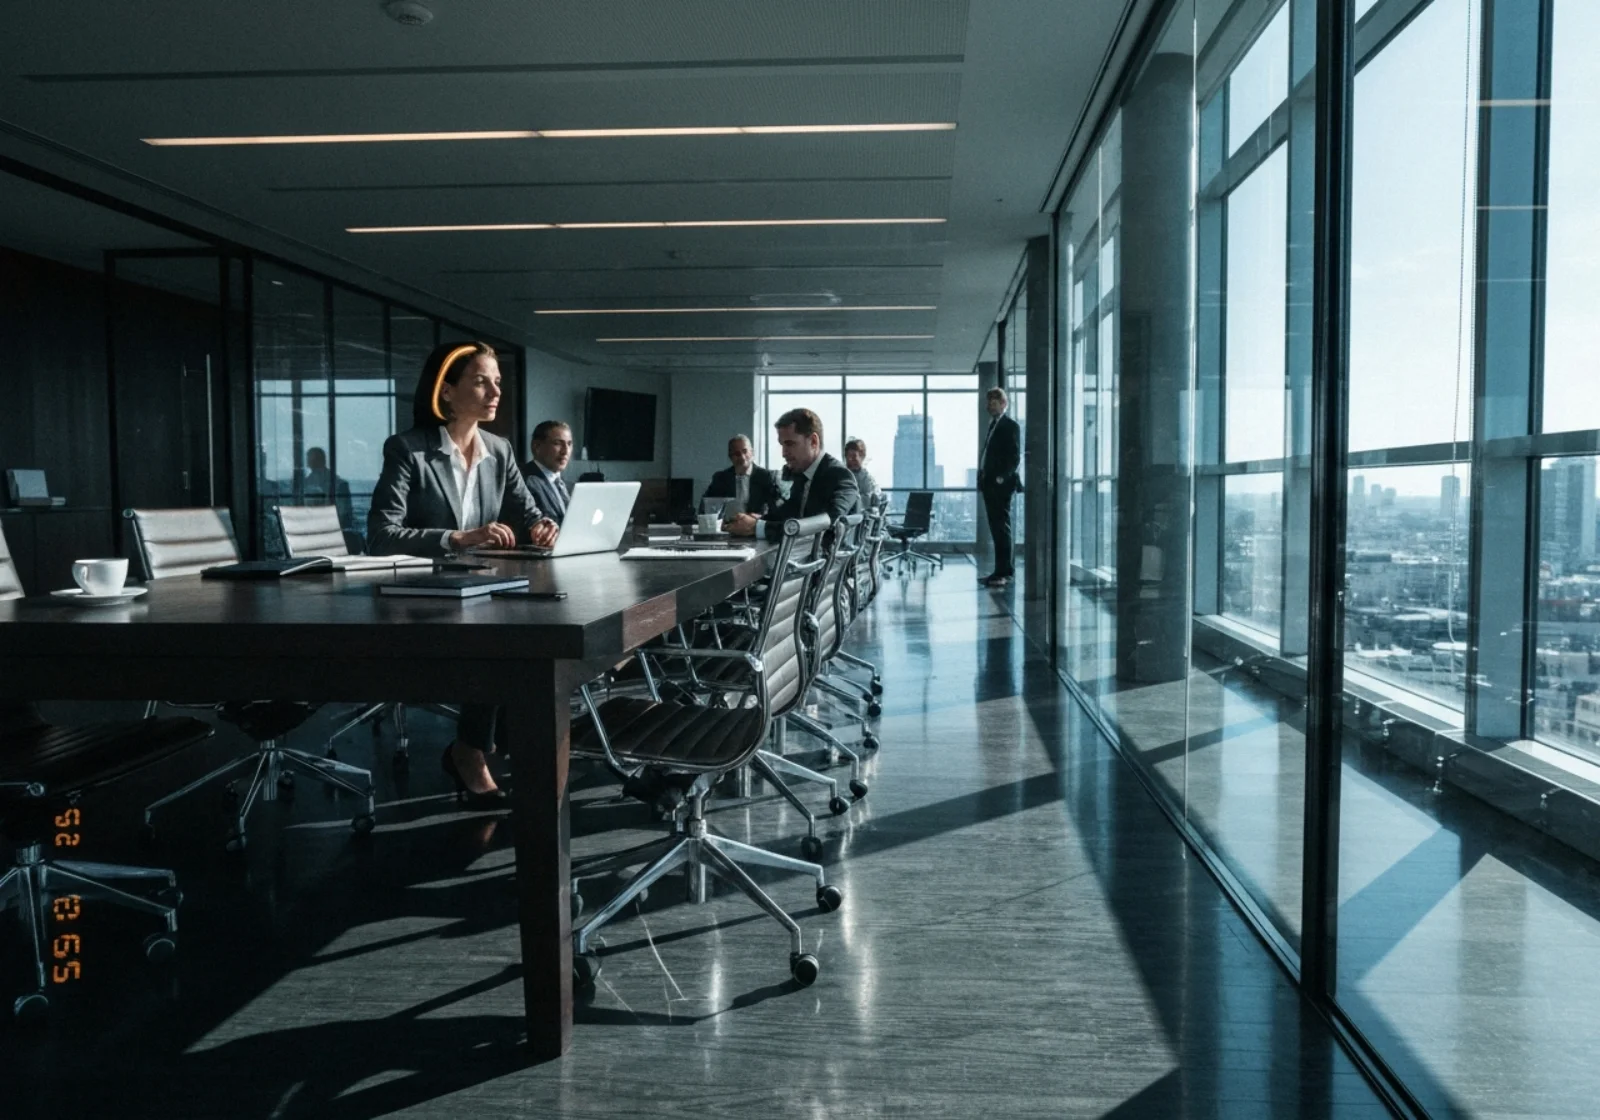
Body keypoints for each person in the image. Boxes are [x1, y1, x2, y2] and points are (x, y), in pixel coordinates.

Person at [367, 341, 559, 805]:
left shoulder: (499, 449)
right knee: (503, 644)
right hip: (423, 594)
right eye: (481, 381)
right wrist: (458, 538)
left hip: (481, 588)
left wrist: (541, 526)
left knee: (531, 634)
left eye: (497, 381)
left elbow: (527, 512)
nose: (495, 391)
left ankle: (500, 750)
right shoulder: (408, 450)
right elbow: (380, 535)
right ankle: (472, 753)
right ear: (447, 391)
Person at [726, 409, 858, 538]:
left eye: (789, 444)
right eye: (782, 445)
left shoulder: (840, 476)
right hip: (806, 556)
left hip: (826, 559)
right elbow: (789, 515)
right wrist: (755, 520)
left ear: (813, 441)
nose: (783, 453)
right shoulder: (804, 475)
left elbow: (826, 523)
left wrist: (757, 527)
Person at [978, 386, 1022, 586]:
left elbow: (1014, 457)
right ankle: (1000, 571)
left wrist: (1001, 478)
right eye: (988, 402)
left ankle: (1004, 573)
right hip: (990, 484)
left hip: (999, 486)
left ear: (1004, 404)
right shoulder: (994, 425)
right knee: (997, 529)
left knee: (1001, 529)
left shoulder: (1009, 426)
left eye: (993, 402)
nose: (989, 406)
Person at [702, 434, 781, 517]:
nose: (742, 457)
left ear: (752, 453)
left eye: (745, 451)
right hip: (727, 526)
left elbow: (775, 509)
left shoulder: (766, 476)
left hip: (755, 525)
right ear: (730, 457)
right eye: (737, 454)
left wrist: (760, 518)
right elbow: (707, 506)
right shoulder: (720, 478)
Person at [522, 420, 575, 525]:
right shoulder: (522, 482)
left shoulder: (571, 487)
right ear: (536, 446)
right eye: (557, 443)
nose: (565, 451)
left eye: (569, 444)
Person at [300, 446, 354, 527]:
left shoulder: (339, 484)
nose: (307, 462)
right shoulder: (307, 481)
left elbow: (343, 514)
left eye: (309, 459)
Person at [842, 437, 881, 509]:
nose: (850, 459)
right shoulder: (841, 475)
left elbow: (875, 491)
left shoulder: (866, 477)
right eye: (848, 456)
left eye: (854, 456)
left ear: (862, 457)